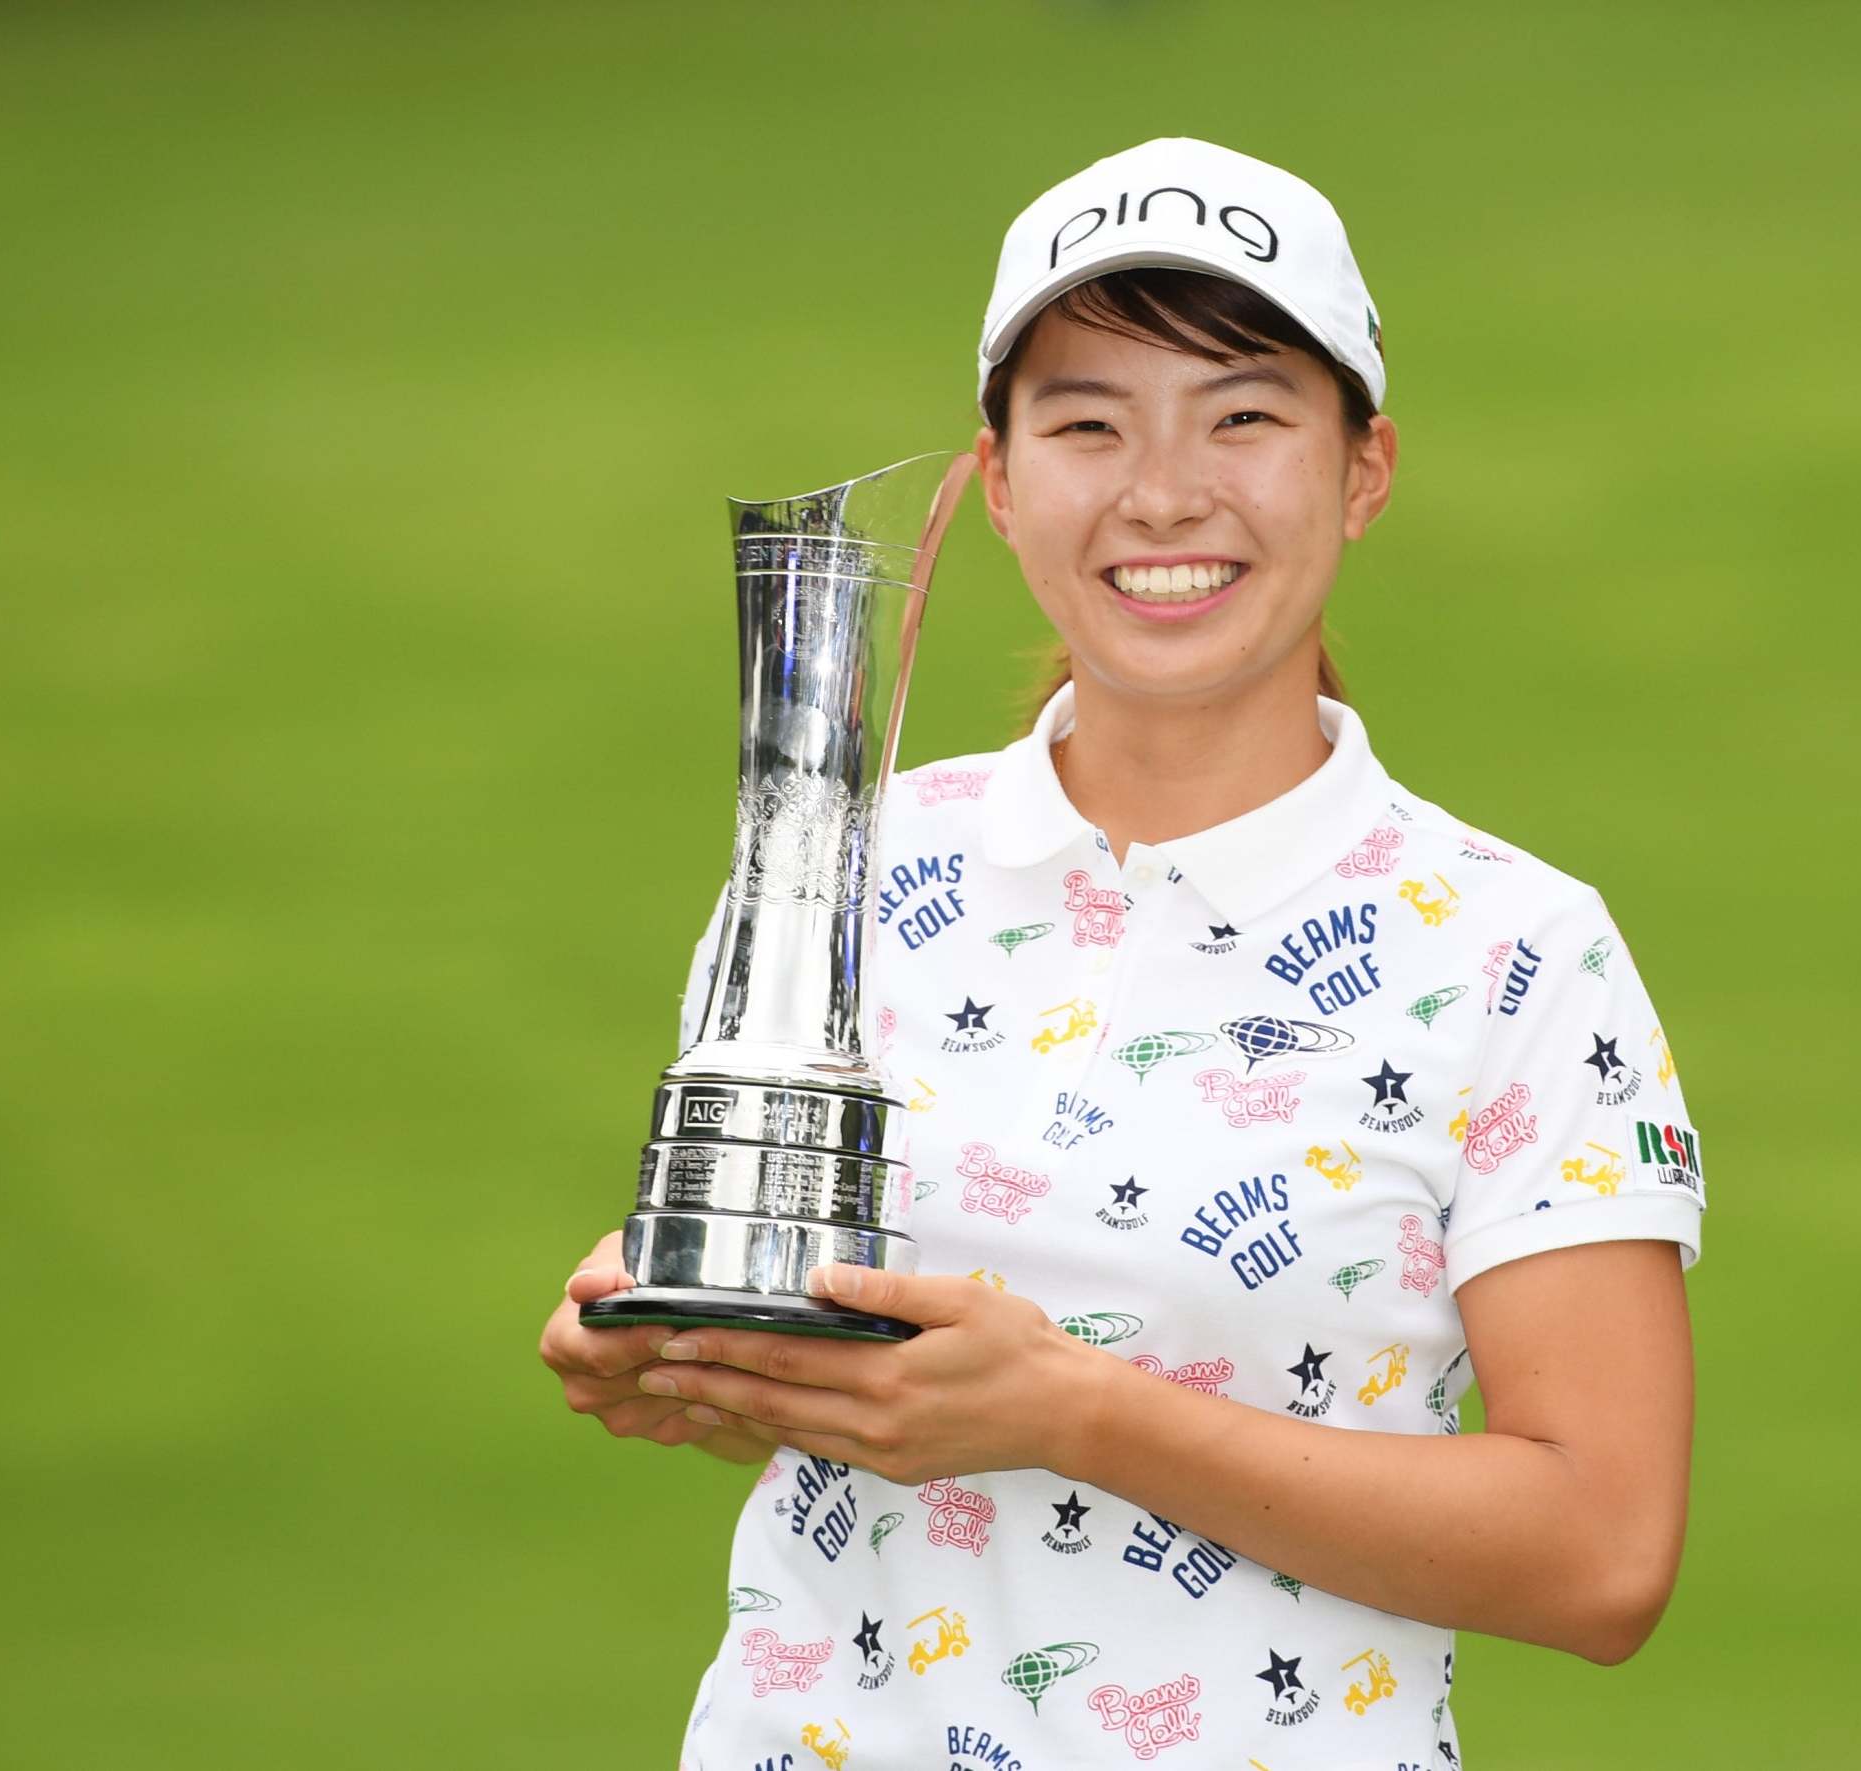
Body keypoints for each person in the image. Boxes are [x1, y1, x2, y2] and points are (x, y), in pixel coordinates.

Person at [540, 135, 1707, 1770]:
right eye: (1087, 423)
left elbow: (1600, 1556)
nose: (1162, 494)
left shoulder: (1514, 950)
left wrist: (1080, 1416)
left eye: (1241, 415)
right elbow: (821, 1371)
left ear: (1363, 469)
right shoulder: (844, 866)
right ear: (999, 480)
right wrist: (684, 1349)